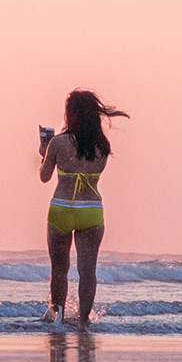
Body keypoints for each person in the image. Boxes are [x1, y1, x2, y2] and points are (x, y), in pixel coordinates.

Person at [39, 89, 129, 328]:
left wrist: (44, 154)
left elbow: (44, 177)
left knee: (59, 268)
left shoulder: (57, 143)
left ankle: (57, 316)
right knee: (87, 271)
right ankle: (83, 321)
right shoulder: (101, 145)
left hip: (62, 208)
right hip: (90, 210)